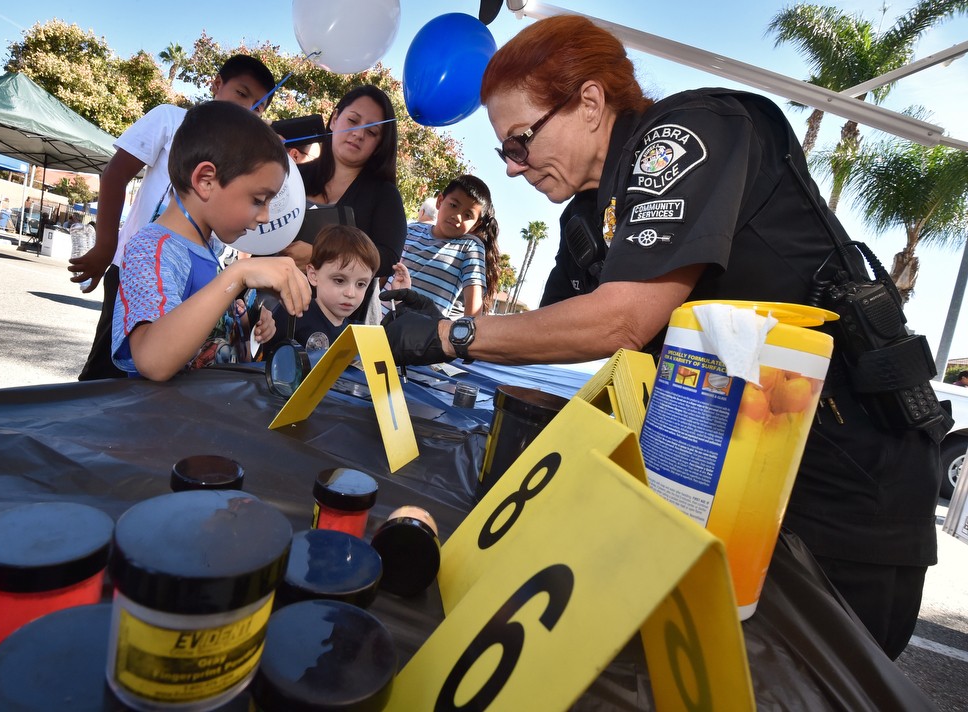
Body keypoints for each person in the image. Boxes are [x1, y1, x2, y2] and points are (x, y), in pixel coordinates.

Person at [382, 14, 945, 661]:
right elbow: (554, 332)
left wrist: (450, 334)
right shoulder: (586, 221)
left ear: (590, 101)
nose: (512, 168)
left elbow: (623, 319)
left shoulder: (687, 133)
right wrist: (434, 318)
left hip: (844, 485)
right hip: (722, 475)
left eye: (519, 142)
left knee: (816, 686)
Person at [74, 54, 278, 381]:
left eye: (258, 107)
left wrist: (243, 320)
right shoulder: (171, 119)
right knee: (107, 370)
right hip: (137, 264)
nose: (247, 110)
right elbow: (114, 174)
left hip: (187, 257)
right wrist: (105, 246)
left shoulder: (211, 251)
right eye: (242, 94)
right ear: (216, 84)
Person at [111, 101, 309, 381]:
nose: (265, 217)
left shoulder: (210, 248)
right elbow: (152, 358)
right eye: (258, 200)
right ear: (205, 181)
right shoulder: (153, 249)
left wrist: (248, 320)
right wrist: (237, 275)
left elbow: (207, 322)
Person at [285, 85, 406, 322]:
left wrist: (319, 256)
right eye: (353, 121)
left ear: (379, 145)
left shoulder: (384, 194)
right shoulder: (291, 176)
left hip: (343, 328)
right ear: (335, 119)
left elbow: (388, 257)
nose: (358, 134)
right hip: (274, 315)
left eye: (372, 132)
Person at [386, 175, 501, 317]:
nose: (457, 217)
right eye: (453, 205)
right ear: (440, 201)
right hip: (377, 324)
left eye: (468, 215)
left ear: (476, 224)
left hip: (420, 336)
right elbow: (385, 274)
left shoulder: (470, 248)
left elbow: (474, 309)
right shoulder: (411, 230)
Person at [289, 224, 380, 350]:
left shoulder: (356, 335)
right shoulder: (292, 319)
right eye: (339, 280)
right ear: (313, 275)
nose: (350, 293)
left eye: (360, 284)